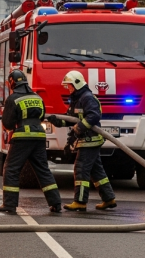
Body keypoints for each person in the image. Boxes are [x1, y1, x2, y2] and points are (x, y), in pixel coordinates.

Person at [46, 71, 117, 212]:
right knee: (96, 171)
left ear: (77, 84)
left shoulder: (87, 98)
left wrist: (78, 128)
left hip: (90, 140)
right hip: (86, 140)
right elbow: (70, 118)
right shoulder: (77, 99)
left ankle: (80, 201)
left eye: (70, 86)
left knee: (81, 169)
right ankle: (109, 199)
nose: (68, 89)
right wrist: (57, 121)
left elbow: (94, 115)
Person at [0, 69, 62, 213]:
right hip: (39, 137)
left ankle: (10, 204)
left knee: (11, 169)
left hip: (22, 139)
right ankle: (56, 203)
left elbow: (8, 124)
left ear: (12, 82)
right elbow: (42, 116)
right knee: (43, 170)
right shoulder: (37, 97)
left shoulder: (13, 99)